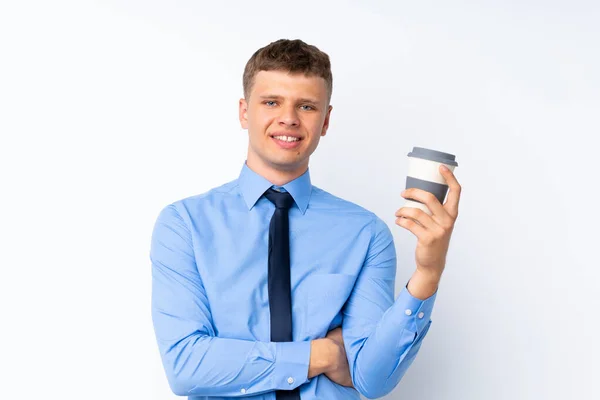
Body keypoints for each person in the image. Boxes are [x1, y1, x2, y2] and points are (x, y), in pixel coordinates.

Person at [150, 38, 461, 400]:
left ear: (326, 120)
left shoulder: (365, 233)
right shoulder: (184, 225)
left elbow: (371, 379)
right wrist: (319, 354)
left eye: (307, 106)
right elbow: (186, 367)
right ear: (244, 112)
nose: (289, 118)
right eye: (271, 102)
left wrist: (428, 274)